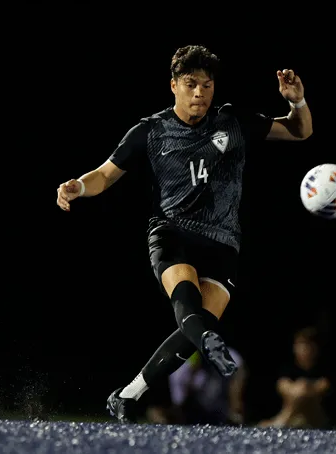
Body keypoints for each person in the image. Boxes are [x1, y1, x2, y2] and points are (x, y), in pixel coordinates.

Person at [56, 45, 313, 423]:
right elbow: (105, 174)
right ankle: (208, 341)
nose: (199, 93)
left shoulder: (233, 122)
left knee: (198, 327)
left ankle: (126, 396)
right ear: (173, 85)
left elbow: (300, 131)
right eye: (191, 84)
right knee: (189, 306)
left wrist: (299, 101)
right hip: (172, 234)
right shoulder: (151, 130)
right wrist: (77, 186)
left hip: (224, 243)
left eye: (207, 85)